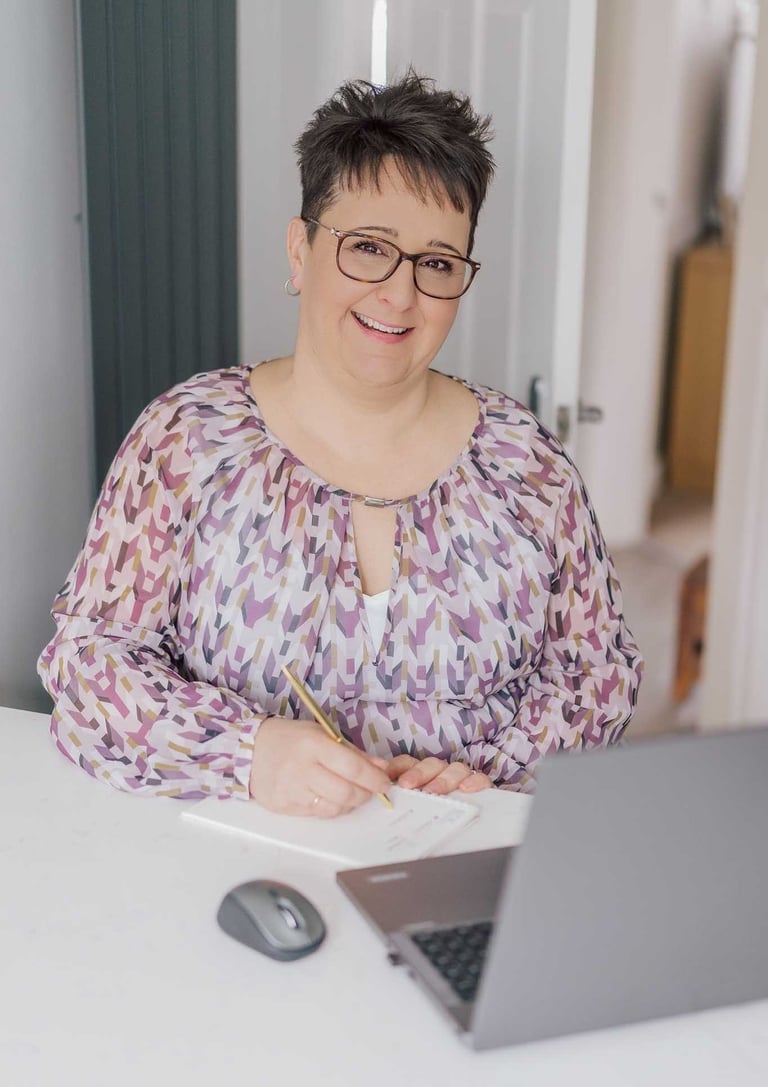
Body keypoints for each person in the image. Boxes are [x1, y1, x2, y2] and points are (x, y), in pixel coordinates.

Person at [38, 72, 642, 816]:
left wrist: (492, 772)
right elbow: (88, 663)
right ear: (300, 251)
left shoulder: (530, 465)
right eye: (367, 247)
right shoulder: (185, 440)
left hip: (453, 868)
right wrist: (249, 752)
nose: (399, 294)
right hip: (221, 872)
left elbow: (598, 673)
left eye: (437, 263)